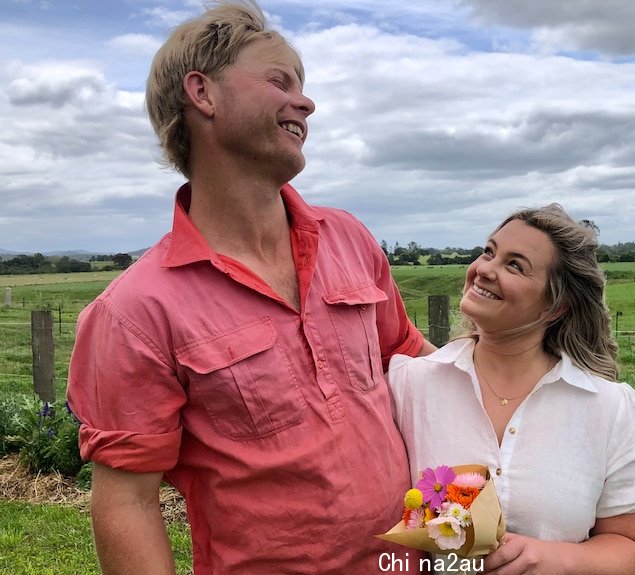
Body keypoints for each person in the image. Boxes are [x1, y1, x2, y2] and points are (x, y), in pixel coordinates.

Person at [66, 2, 434, 573]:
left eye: (303, 86)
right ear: (203, 94)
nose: (306, 102)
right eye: (278, 81)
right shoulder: (135, 312)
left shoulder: (350, 239)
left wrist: (537, 379)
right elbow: (127, 500)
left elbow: (413, 362)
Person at [388, 204, 635, 574]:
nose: (485, 269)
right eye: (490, 251)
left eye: (514, 265)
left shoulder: (610, 408)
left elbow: (631, 546)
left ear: (556, 306)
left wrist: (553, 559)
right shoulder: (408, 384)